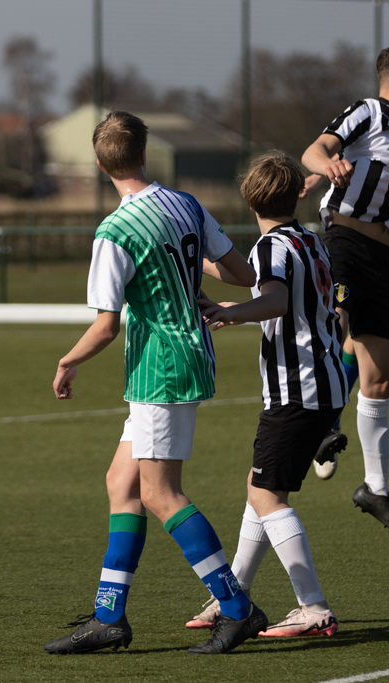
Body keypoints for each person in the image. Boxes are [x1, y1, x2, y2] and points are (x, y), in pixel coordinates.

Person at [42, 111, 265, 656]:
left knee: (160, 494)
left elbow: (106, 325)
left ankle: (237, 608)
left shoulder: (114, 231)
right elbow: (243, 274)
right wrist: (185, 264)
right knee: (122, 484)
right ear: (145, 153)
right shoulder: (185, 204)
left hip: (160, 367)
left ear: (101, 166)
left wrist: (67, 361)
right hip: (186, 356)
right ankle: (108, 616)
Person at [189, 152, 346, 638]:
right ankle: (231, 594)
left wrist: (231, 314)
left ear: (250, 199)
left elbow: (275, 300)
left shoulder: (270, 246)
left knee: (266, 497)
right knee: (260, 489)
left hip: (296, 389)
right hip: (326, 383)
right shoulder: (310, 241)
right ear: (296, 194)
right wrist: (228, 300)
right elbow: (295, 302)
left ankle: (313, 607)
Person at [301, 41, 389, 538]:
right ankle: (319, 423)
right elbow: (314, 150)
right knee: (335, 324)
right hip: (344, 240)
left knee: (379, 378)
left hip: (383, 257)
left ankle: (375, 489)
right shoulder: (369, 112)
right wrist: (327, 165)